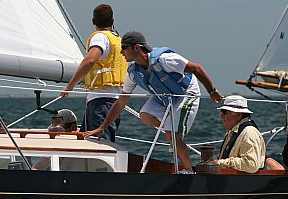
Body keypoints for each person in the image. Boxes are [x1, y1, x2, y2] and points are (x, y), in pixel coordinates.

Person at [83, 30, 223, 173]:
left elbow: (196, 68)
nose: (121, 52)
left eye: (124, 47)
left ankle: (188, 170)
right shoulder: (133, 73)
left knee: (172, 133)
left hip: (186, 92)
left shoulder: (165, 59)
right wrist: (102, 127)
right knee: (145, 115)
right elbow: (121, 102)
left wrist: (212, 91)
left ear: (137, 47)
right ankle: (173, 135)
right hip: (165, 95)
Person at [60, 4, 128, 142]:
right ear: (112, 21)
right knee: (87, 141)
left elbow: (90, 61)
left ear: (93, 21)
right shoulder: (118, 41)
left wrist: (70, 86)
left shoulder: (100, 38)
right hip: (113, 101)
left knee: (100, 144)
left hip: (101, 102)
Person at [216, 95, 266, 173]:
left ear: (238, 115)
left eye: (224, 112)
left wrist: (218, 163)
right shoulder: (231, 133)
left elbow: (251, 164)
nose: (221, 116)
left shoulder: (249, 132)